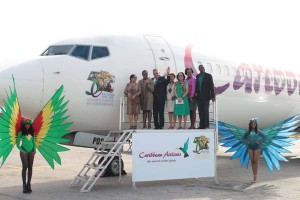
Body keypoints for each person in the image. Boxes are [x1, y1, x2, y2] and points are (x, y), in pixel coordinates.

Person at [16, 119, 36, 194]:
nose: (27, 125)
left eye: (28, 124)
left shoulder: (32, 133)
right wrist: (22, 151)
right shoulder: (21, 133)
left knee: (30, 167)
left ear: (30, 125)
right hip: (23, 151)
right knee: (25, 167)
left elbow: (34, 143)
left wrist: (34, 151)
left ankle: (29, 184)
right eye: (26, 124)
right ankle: (24, 186)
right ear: (24, 125)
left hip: (31, 152)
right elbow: (17, 144)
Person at [242, 118, 266, 183]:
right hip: (250, 147)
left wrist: (260, 142)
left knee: (256, 161)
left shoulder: (258, 131)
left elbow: (265, 137)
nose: (253, 125)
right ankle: (254, 175)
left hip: (257, 147)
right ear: (250, 125)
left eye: (254, 124)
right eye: (252, 124)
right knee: (252, 161)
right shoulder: (248, 132)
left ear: (256, 125)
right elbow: (243, 138)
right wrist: (247, 141)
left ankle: (255, 176)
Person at [195, 64, 215, 129]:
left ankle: (206, 125)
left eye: (202, 68)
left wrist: (213, 96)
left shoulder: (208, 76)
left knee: (205, 111)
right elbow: (196, 86)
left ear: (204, 68)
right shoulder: (197, 76)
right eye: (200, 68)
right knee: (200, 111)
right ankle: (202, 125)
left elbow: (211, 86)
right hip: (199, 97)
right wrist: (195, 93)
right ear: (199, 69)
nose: (201, 69)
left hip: (206, 97)